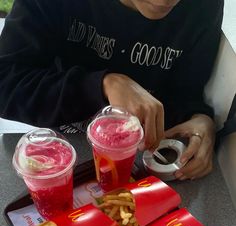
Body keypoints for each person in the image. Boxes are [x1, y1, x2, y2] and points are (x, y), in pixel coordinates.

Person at [0, 0, 224, 180]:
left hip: (142, 161)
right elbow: (6, 84)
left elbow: (186, 91)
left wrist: (200, 118)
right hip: (59, 154)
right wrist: (103, 84)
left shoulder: (203, 6)